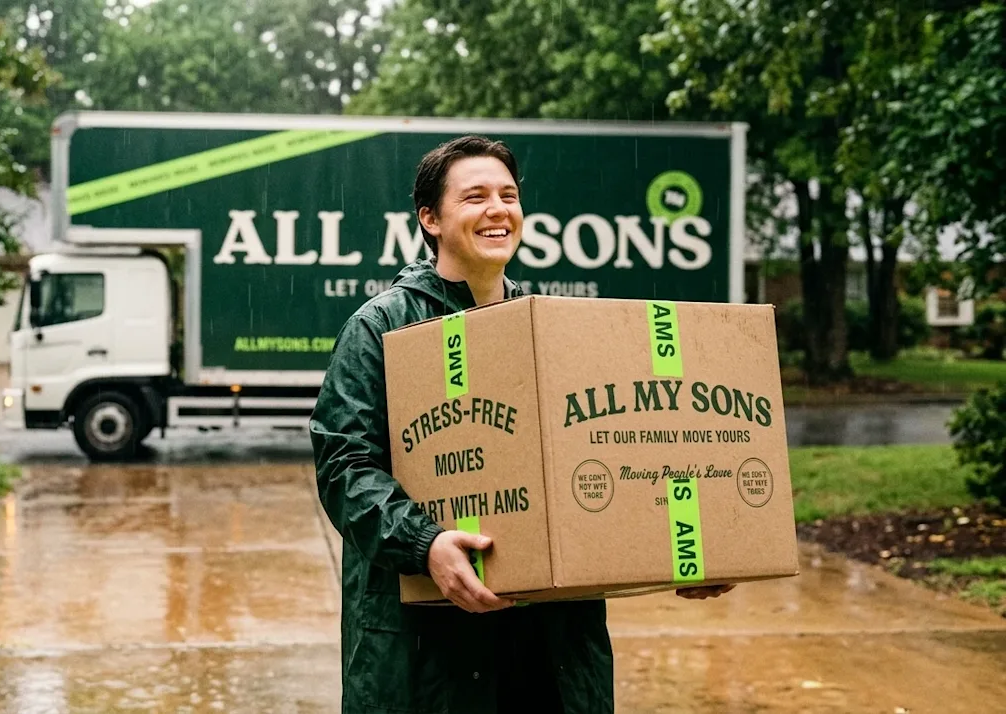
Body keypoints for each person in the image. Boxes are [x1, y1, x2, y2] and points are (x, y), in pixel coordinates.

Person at [309, 135, 734, 714]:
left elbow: (603, 461)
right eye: (475, 196)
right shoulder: (382, 327)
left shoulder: (547, 328)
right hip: (427, 646)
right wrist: (424, 542)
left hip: (547, 651)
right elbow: (344, 469)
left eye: (508, 195)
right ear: (430, 219)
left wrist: (680, 553)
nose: (498, 210)